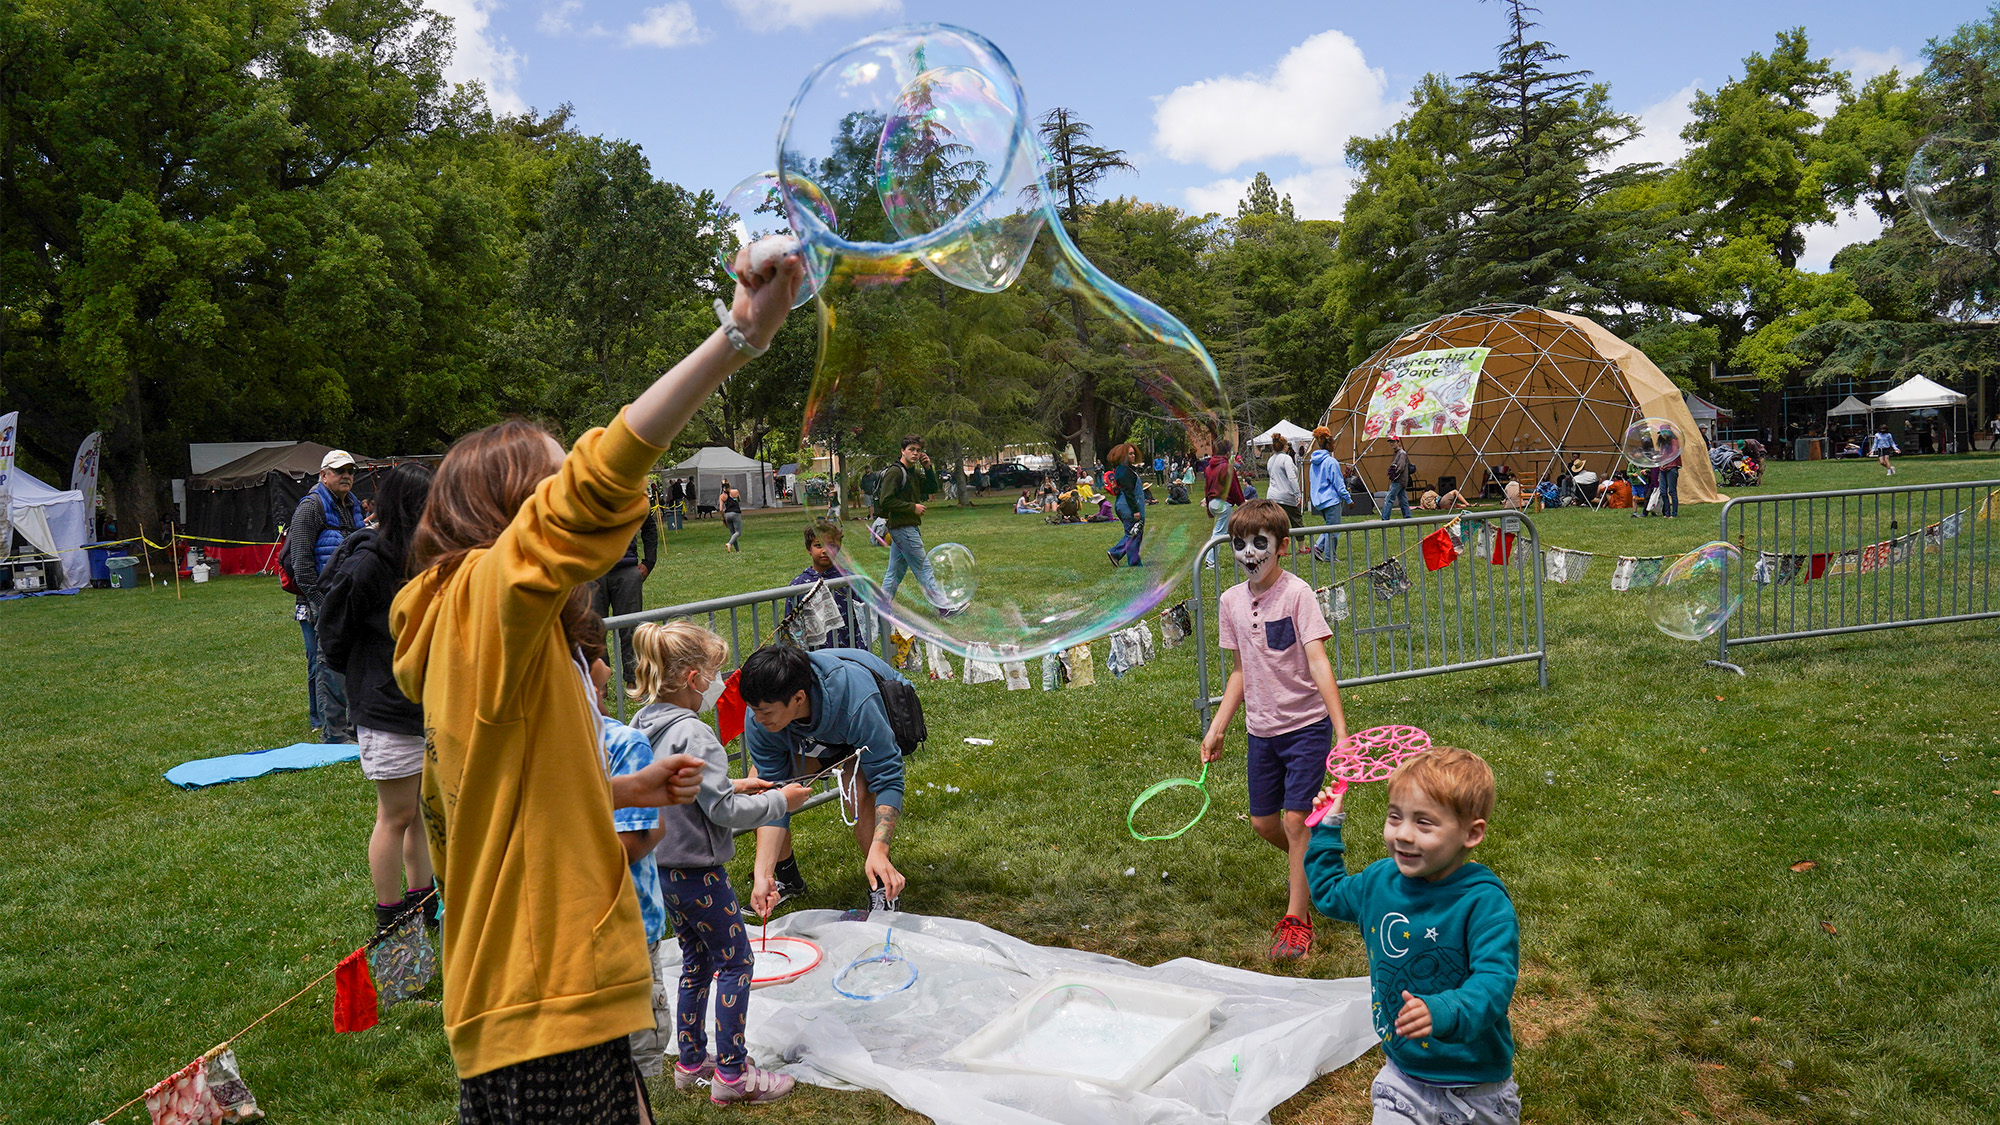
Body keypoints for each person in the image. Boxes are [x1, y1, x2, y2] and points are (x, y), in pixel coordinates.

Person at [389, 239, 797, 1121]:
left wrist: (627, 788)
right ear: (508, 520)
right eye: (545, 489)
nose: (568, 509)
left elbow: (504, 796)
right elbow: (597, 486)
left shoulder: (491, 643)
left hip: (547, 996)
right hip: (544, 1004)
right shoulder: (478, 612)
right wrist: (738, 333)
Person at [629, 622, 810, 1105]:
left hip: (662, 871)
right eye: (714, 672)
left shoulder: (645, 723)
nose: (721, 681)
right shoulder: (696, 733)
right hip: (700, 873)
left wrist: (735, 785)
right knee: (736, 962)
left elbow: (693, 795)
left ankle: (690, 1062)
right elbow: (722, 813)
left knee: (696, 961)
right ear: (693, 678)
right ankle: (733, 1074)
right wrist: (781, 804)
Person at [1306, 748, 1519, 1125]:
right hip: (1403, 1075)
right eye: (1394, 817)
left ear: (1472, 833)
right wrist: (1327, 829)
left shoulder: (1483, 901)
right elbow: (1329, 894)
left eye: (1424, 823)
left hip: (1477, 1084)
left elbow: (1494, 981)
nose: (1403, 834)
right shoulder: (1379, 881)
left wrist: (1444, 1010)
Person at [1198, 500, 1350, 962]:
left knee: (1293, 821)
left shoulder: (1298, 594)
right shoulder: (1229, 602)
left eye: (1259, 544)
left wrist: (1342, 732)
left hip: (1306, 726)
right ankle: (1312, 866)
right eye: (1239, 545)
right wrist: (1218, 726)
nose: (1249, 553)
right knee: (1265, 823)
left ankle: (1297, 919)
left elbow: (1319, 662)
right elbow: (1240, 672)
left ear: (1282, 547)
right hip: (1260, 731)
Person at [317, 462, 436, 935]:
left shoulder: (428, 555)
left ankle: (423, 900)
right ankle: (392, 919)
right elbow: (334, 634)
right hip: (385, 705)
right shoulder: (368, 561)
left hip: (426, 704)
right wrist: (372, 680)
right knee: (397, 814)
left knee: (424, 811)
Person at [740, 643, 915, 917]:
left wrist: (880, 847)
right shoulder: (760, 716)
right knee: (758, 791)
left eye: (766, 712)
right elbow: (773, 792)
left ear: (798, 698)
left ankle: (881, 882)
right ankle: (786, 878)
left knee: (859, 790)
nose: (757, 719)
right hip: (819, 736)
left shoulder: (856, 701)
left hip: (872, 718)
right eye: (753, 710)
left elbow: (888, 777)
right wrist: (764, 873)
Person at [289, 449, 367, 743]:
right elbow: (301, 562)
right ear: (323, 475)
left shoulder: (352, 505)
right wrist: (319, 603)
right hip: (320, 597)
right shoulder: (311, 507)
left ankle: (347, 725)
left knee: (348, 661)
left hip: (347, 596)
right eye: (339, 471)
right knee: (325, 662)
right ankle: (330, 729)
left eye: (350, 471)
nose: (346, 475)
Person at [875, 434, 950, 611]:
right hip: (903, 527)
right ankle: (944, 607)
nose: (915, 453)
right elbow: (885, 501)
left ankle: (880, 608)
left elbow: (932, 488)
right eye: (911, 450)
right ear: (903, 451)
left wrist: (928, 468)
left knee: (894, 572)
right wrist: (912, 507)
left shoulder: (912, 473)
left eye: (918, 450)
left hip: (906, 527)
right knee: (924, 568)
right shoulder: (895, 472)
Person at [593, 500, 658, 685]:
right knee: (594, 630)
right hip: (592, 572)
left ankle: (632, 680)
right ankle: (599, 684)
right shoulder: (583, 490)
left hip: (626, 570)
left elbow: (649, 526)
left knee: (631, 629)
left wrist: (649, 561)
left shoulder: (631, 493)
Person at [786, 521, 859, 649]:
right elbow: (791, 626)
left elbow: (862, 621)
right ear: (809, 549)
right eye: (818, 545)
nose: (825, 550)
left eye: (831, 545)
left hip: (848, 654)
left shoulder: (850, 581)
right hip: (813, 657)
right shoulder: (798, 585)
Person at [1306, 427, 1352, 562]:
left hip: (1320, 500)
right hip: (1331, 500)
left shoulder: (1314, 462)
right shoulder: (1331, 462)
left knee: (1329, 525)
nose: (1334, 446)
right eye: (1332, 443)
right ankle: (1330, 556)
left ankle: (1318, 548)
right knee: (1334, 530)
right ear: (1327, 444)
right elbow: (1338, 483)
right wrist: (1348, 499)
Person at [1105, 443, 1146, 566]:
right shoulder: (1123, 470)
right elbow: (1128, 492)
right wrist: (1135, 510)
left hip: (1124, 505)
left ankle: (1133, 561)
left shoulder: (1124, 469)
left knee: (1135, 533)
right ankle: (1116, 553)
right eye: (1130, 453)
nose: (1133, 456)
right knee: (1133, 533)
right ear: (1123, 455)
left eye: (1134, 453)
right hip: (1127, 506)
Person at [1204, 440, 1247, 548]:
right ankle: (1211, 562)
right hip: (1223, 504)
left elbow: (1207, 488)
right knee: (1218, 534)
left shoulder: (1209, 468)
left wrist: (1209, 509)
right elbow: (1234, 488)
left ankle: (1239, 555)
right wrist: (1242, 504)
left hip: (1212, 503)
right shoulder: (1227, 467)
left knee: (1231, 531)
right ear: (1227, 453)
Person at [1265, 435, 1303, 526]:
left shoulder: (1270, 460)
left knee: (1277, 525)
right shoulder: (1286, 458)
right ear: (1285, 446)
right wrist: (1298, 494)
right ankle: (1300, 540)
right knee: (1297, 524)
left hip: (1272, 497)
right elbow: (1292, 477)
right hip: (1286, 496)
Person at [1384, 433, 1414, 519]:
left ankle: (1385, 518)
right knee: (1403, 500)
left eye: (1393, 442)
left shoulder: (1402, 453)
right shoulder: (1397, 453)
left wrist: (1393, 475)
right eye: (1390, 442)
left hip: (1399, 480)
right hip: (1401, 481)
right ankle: (1408, 517)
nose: (1391, 444)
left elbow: (1400, 467)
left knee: (1389, 499)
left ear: (1398, 442)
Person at [1658, 448, 1682, 519]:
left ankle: (1674, 513)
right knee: (1663, 492)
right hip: (1662, 469)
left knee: (1672, 491)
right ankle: (1667, 513)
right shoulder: (1662, 443)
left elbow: (1674, 453)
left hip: (1671, 468)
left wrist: (1665, 462)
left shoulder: (1673, 441)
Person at [720, 483, 743, 552]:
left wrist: (723, 517)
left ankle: (737, 550)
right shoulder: (735, 491)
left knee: (733, 533)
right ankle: (729, 543)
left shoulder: (721, 496)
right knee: (738, 532)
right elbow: (739, 500)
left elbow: (721, 509)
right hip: (735, 513)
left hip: (727, 515)